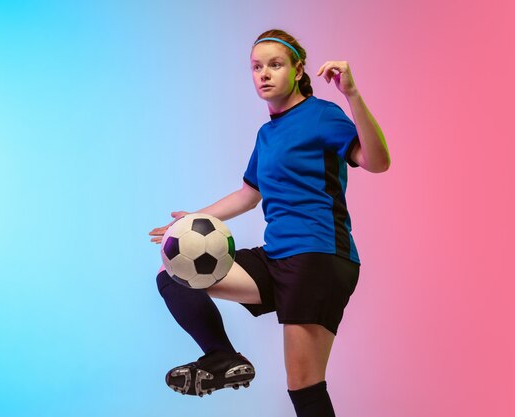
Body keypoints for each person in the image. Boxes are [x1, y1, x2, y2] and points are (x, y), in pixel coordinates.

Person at [148, 28, 390, 417]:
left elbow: (377, 162)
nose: (264, 73)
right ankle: (222, 357)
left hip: (318, 257)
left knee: (304, 387)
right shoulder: (267, 133)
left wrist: (353, 95)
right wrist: (195, 218)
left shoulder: (323, 114)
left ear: (297, 70)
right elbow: (248, 194)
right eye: (257, 67)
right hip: (278, 257)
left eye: (275, 65)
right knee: (173, 274)